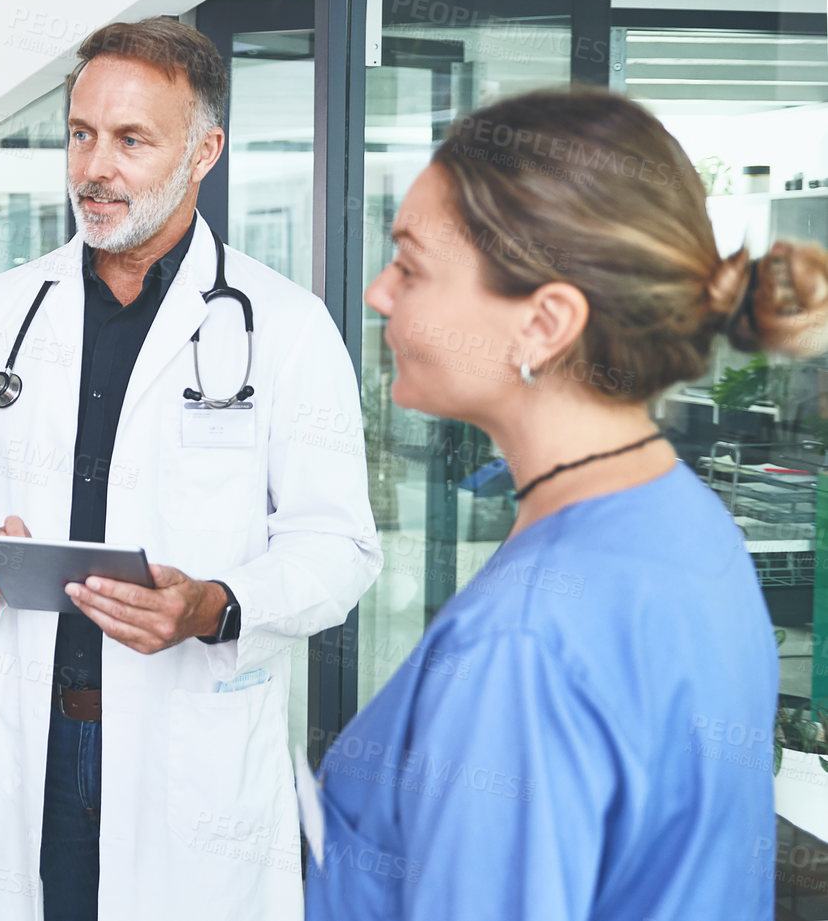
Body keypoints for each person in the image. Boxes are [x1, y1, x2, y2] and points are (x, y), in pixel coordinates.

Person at [0, 17, 383, 920]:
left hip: (186, 741)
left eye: (131, 140)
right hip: (35, 730)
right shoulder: (2, 309)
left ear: (205, 149)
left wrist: (219, 603)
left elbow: (338, 543)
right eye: (81, 134)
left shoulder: (284, 324)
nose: (94, 168)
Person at [305, 88, 823, 918]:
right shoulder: (685, 520)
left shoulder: (526, 641)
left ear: (544, 323)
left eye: (410, 264)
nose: (377, 292)